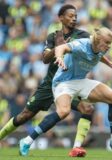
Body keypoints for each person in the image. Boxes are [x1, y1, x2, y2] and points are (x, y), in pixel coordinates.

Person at [19, 27, 112, 156]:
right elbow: (61, 48)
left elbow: (98, 56)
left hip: (80, 81)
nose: (109, 46)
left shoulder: (99, 48)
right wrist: (59, 57)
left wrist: (111, 64)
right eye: (106, 42)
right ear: (98, 40)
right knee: (64, 111)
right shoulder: (82, 45)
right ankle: (27, 141)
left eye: (110, 43)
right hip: (63, 82)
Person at [0, 4, 93, 156]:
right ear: (61, 18)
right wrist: (57, 47)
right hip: (51, 84)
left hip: (70, 85)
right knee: (25, 115)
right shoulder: (53, 36)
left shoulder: (83, 36)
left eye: (75, 16)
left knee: (87, 109)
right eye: (70, 16)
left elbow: (92, 49)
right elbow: (44, 59)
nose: (74, 18)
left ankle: (76, 147)